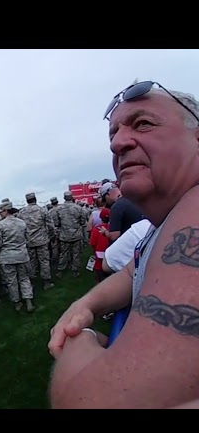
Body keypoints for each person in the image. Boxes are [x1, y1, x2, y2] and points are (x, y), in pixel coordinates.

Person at [48, 81, 199, 408]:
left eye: (143, 123)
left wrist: (81, 339)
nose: (118, 143)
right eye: (113, 134)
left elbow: (96, 400)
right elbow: (135, 268)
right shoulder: (169, 218)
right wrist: (86, 305)